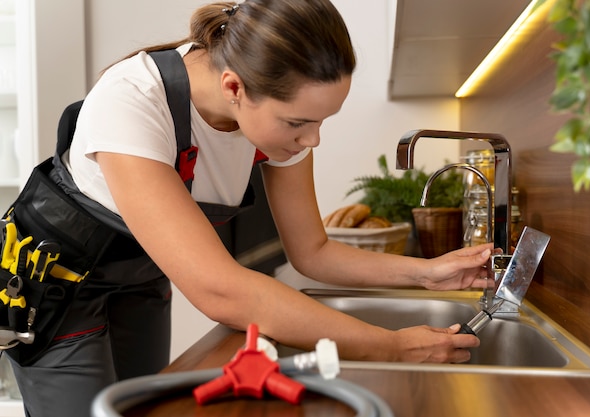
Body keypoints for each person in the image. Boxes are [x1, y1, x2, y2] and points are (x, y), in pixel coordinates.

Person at [8, 1, 493, 416]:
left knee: (142, 410)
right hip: (56, 289)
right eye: (298, 123)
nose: (312, 140)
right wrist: (391, 347)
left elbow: (313, 250)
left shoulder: (273, 115)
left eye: (322, 121)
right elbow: (220, 290)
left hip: (140, 279)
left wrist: (426, 273)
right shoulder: (132, 102)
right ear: (235, 88)